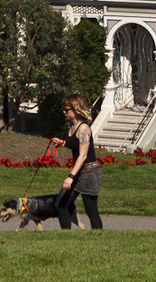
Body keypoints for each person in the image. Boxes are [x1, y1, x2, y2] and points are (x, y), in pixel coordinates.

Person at [51, 94, 104, 230]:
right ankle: (66, 236)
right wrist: (63, 143)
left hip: (89, 172)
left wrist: (71, 176)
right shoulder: (72, 128)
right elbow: (75, 145)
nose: (64, 112)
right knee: (60, 203)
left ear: (76, 109)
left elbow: (83, 155)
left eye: (66, 109)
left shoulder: (83, 129)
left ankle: (99, 238)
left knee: (91, 210)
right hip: (80, 172)